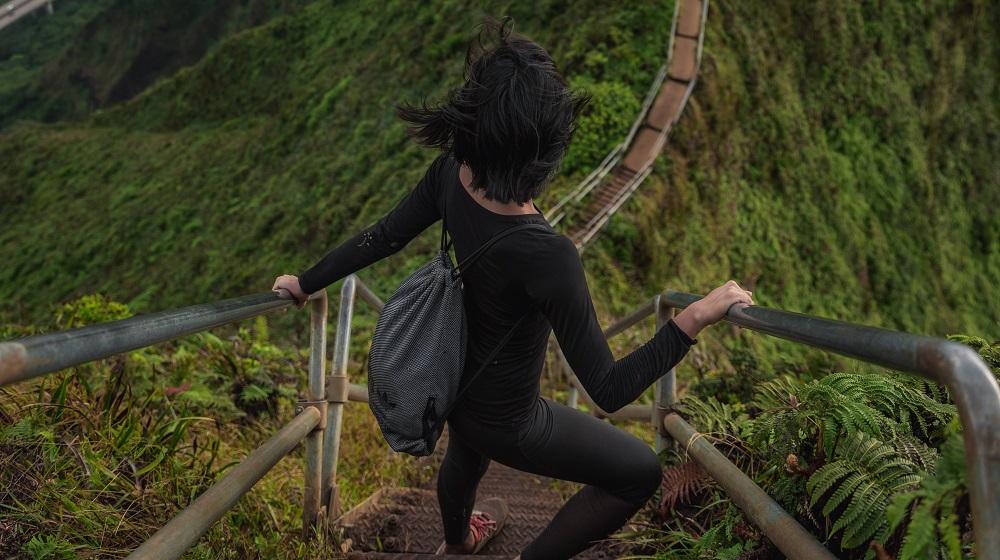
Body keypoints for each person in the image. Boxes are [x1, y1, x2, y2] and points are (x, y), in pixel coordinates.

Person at [273, 17, 753, 560]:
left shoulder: (451, 175)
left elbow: (381, 238)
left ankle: (455, 547)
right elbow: (609, 390)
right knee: (638, 472)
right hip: (512, 423)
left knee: (467, 453)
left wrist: (303, 282)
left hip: (449, 388)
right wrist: (693, 318)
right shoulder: (550, 256)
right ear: (544, 150)